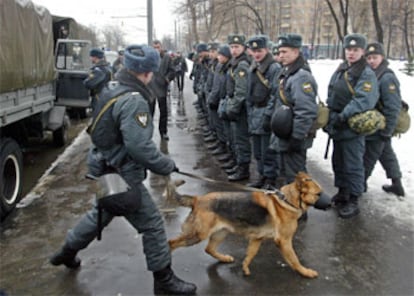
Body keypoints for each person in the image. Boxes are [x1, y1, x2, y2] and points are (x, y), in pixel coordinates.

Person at [49, 44, 197, 295]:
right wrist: (166, 165)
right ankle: (164, 282)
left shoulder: (112, 87)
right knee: (152, 225)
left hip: (104, 167)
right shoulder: (134, 100)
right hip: (122, 174)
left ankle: (67, 252)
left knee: (101, 213)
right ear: (148, 73)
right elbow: (139, 147)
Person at [325, 33, 379, 218]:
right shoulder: (342, 68)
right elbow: (332, 92)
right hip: (338, 124)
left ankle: (354, 199)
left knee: (353, 164)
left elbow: (363, 100)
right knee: (338, 161)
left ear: (362, 51)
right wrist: (330, 114)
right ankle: (343, 192)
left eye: (355, 50)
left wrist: (343, 115)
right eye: (349, 49)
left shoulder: (366, 73)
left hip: (352, 126)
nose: (351, 53)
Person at [364, 42, 405, 196]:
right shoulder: (372, 75)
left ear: (382, 57)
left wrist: (387, 130)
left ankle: (359, 185)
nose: (371, 61)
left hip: (380, 126)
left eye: (375, 57)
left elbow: (393, 107)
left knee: (368, 157)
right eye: (369, 58)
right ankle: (397, 184)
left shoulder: (386, 77)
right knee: (386, 153)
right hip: (374, 124)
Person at [245, 35, 281, 188]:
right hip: (255, 112)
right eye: (254, 51)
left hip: (266, 111)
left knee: (268, 151)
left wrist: (268, 115)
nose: (257, 54)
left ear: (266, 50)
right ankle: (261, 176)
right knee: (258, 151)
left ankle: (270, 179)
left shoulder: (274, 68)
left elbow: (275, 92)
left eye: (260, 50)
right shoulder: (254, 66)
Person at [225, 34, 252, 182]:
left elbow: (241, 91)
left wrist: (233, 108)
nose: (234, 50)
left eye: (237, 47)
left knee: (241, 140)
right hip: (238, 107)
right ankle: (239, 165)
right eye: (232, 47)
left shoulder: (242, 64)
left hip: (241, 109)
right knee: (237, 139)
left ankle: (243, 169)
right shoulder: (235, 62)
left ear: (243, 48)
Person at [149, 40, 176, 141]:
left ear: (161, 47)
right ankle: (148, 133)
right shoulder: (148, 58)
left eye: (158, 47)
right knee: (149, 112)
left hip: (161, 87)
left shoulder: (167, 58)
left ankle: (163, 131)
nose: (156, 49)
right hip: (150, 89)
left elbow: (172, 71)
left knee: (163, 112)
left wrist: (167, 79)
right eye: (154, 47)